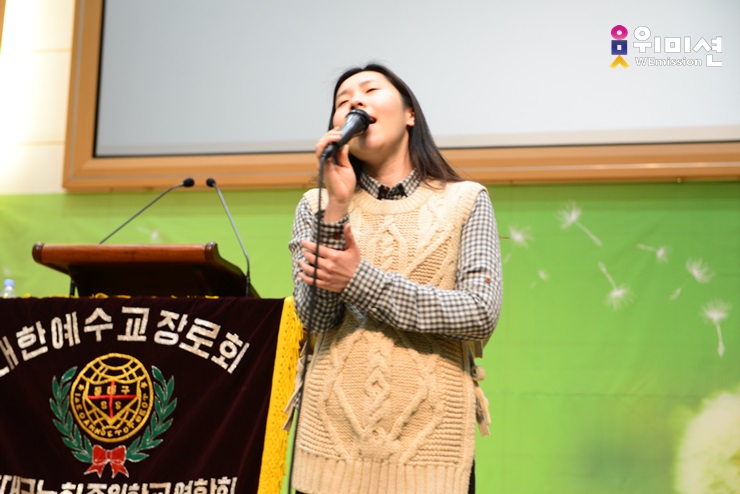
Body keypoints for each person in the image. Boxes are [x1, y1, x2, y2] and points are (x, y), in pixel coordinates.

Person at [288, 63, 503, 494]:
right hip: (328, 446)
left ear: (409, 114)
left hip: (431, 452)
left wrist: (358, 280)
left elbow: (479, 314)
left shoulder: (465, 200)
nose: (355, 100)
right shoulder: (315, 205)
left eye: (370, 90)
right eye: (343, 100)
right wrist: (336, 207)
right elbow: (316, 318)